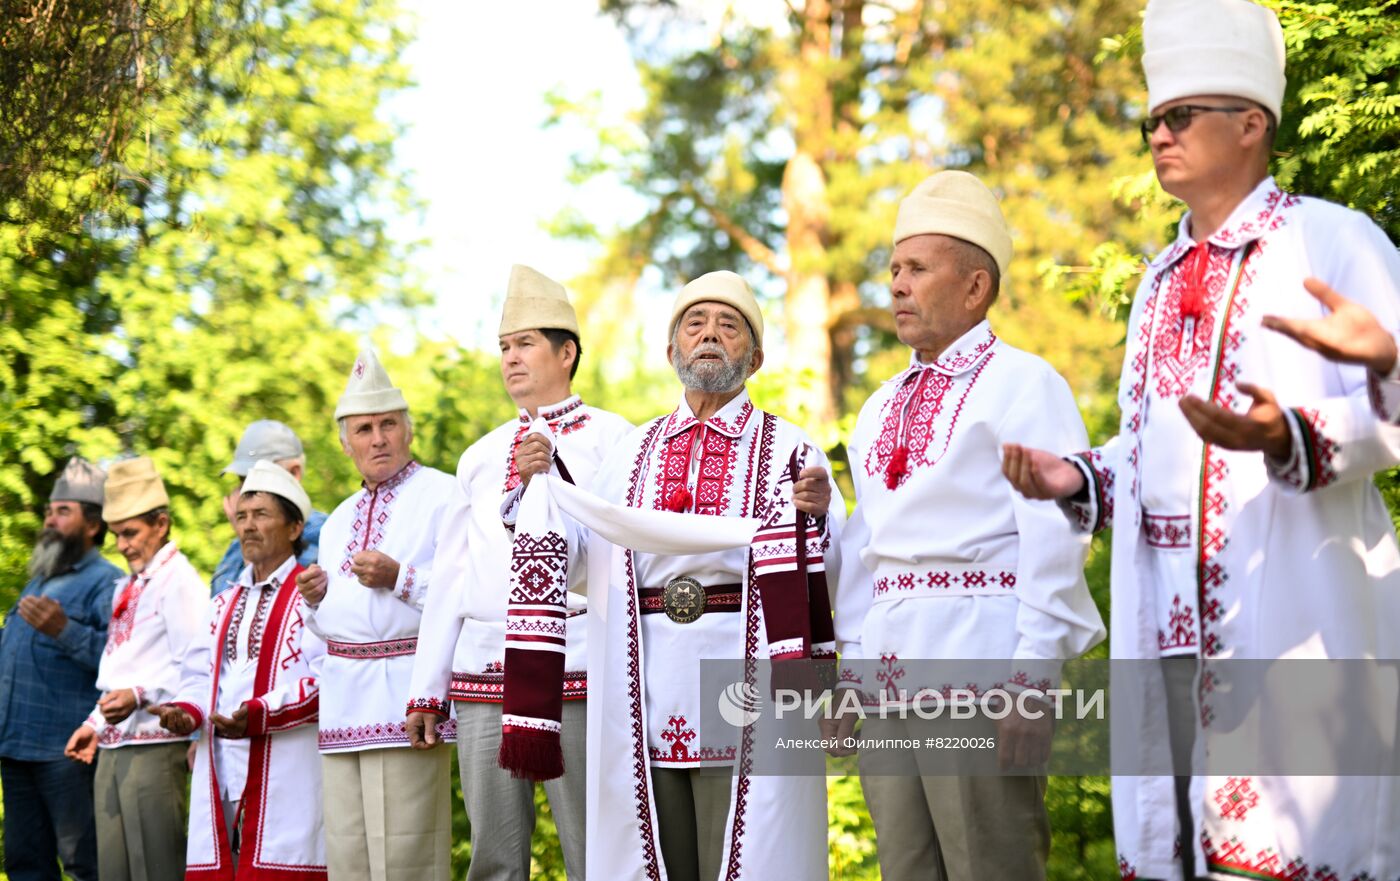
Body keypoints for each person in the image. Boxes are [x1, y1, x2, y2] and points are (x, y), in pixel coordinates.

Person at [1001, 1, 1400, 877]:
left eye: (1179, 116)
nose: (1157, 135)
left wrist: (1291, 430)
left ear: (1251, 124)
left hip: (1290, 616)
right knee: (1180, 851)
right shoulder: (1159, 277)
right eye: (1151, 119)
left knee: (1286, 851)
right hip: (1167, 630)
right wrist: (1078, 476)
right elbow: (1151, 451)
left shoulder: (1331, 238)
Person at [829, 171, 1105, 880]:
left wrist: (1032, 679)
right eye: (894, 269)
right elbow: (866, 551)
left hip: (980, 670)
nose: (897, 285)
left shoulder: (1026, 383)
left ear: (976, 286)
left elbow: (1056, 534)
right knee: (906, 868)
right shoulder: (879, 405)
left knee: (993, 865)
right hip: (889, 673)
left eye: (917, 268)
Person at [545, 270, 838, 881]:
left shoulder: (791, 447)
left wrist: (821, 517)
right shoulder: (631, 450)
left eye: (729, 327)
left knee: (749, 858)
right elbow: (579, 562)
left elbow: (830, 574)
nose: (710, 336)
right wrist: (539, 491)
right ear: (670, 350)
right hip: (645, 682)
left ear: (754, 358)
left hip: (747, 681)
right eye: (695, 325)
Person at [405, 265, 632, 881]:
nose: (510, 358)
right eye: (504, 347)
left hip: (578, 662)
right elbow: (451, 575)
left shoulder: (618, 441)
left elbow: (623, 555)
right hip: (485, 669)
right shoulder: (479, 456)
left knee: (597, 850)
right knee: (494, 858)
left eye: (525, 343)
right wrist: (428, 687)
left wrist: (551, 480)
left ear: (567, 352)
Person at [295, 348, 456, 880]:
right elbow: (332, 624)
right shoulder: (337, 519)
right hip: (344, 703)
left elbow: (467, 593)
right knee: (347, 856)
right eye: (363, 429)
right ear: (346, 445)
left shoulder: (444, 495)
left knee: (408, 854)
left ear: (408, 432)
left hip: (408, 695)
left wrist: (400, 578)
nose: (378, 438)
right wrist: (316, 601)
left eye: (388, 424)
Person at [154, 460, 328, 879]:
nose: (247, 526)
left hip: (287, 769)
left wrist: (262, 712)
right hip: (222, 767)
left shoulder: (314, 595)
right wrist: (186, 711)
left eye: (262, 515)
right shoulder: (222, 603)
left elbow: (327, 678)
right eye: (243, 516)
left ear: (293, 528)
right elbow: (198, 676)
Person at [63, 457, 206, 881]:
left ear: (161, 524)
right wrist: (94, 721)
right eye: (116, 535)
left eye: (131, 533)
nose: (122, 545)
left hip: (156, 745)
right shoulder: (126, 586)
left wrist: (140, 696)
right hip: (113, 744)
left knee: (156, 867)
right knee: (114, 870)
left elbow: (198, 668)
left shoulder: (179, 581)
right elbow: (118, 669)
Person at [0, 456, 120, 881]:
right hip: (15, 748)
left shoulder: (108, 582)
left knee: (85, 865)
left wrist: (64, 630)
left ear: (92, 524)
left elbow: (121, 662)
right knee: (24, 865)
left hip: (66, 753)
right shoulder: (40, 580)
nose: (50, 520)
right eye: (50, 511)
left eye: (62, 512)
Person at [210, 419, 327, 596]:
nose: (247, 490)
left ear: (294, 473)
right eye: (243, 480)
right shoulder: (235, 549)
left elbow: (284, 605)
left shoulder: (326, 537)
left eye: (260, 478)